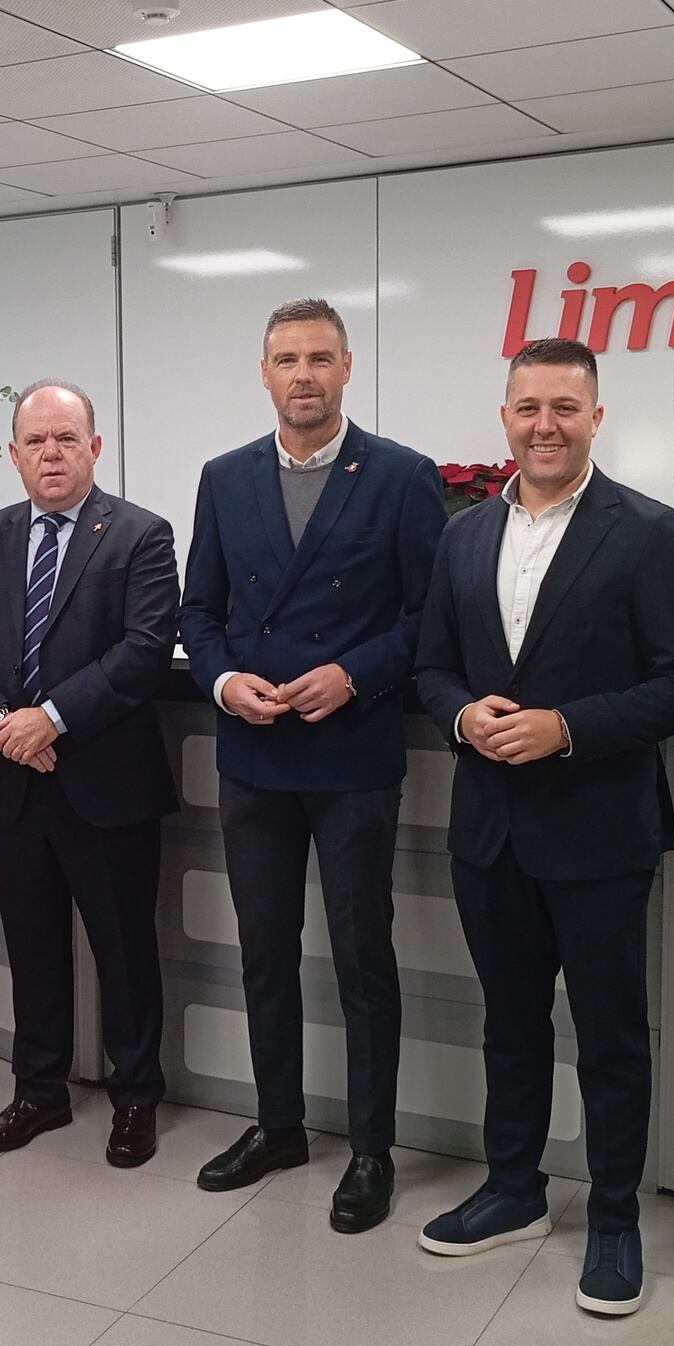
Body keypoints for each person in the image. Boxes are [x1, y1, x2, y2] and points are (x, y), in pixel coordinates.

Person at [413, 337, 674, 1315]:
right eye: (525, 407)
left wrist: (567, 728)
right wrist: (461, 714)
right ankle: (511, 1189)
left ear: (594, 417)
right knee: (508, 1021)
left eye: (563, 408)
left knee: (610, 1035)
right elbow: (429, 667)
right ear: (502, 417)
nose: (543, 425)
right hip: (488, 831)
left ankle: (614, 1219)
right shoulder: (460, 537)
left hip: (596, 829)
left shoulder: (650, 533)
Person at [178, 297, 446, 1232]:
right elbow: (198, 611)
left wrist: (356, 673)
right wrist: (220, 685)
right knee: (264, 954)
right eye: (287, 359)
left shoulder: (406, 477)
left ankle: (370, 1148)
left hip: (350, 751)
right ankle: (278, 1124)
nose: (304, 375)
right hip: (254, 750)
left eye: (320, 359)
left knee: (364, 957)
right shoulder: (224, 477)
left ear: (348, 368)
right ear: (264, 373)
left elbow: (428, 619)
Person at [0, 379, 180, 1167]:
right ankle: (39, 1088)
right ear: (12, 454)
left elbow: (143, 652)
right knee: (31, 943)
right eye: (36, 441)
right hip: (15, 780)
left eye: (66, 438)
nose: (51, 453)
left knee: (123, 948)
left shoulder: (140, 535)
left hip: (104, 782)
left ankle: (136, 1092)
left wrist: (53, 718)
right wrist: (4, 724)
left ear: (95, 447)